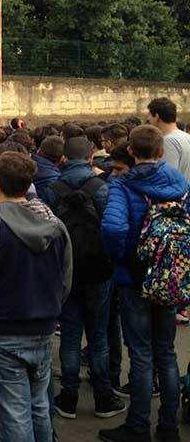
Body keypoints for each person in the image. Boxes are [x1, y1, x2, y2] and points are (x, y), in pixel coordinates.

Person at [0, 152, 72, 442]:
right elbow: (65, 279)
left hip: (0, 330)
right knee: (38, 408)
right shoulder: (56, 227)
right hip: (42, 327)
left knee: (15, 414)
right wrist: (51, 309)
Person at [98, 125, 188, 442]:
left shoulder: (124, 185)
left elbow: (112, 229)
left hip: (135, 278)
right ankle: (168, 427)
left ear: (132, 152)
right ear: (162, 152)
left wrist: (123, 258)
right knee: (167, 352)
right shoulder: (179, 182)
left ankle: (138, 426)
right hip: (168, 276)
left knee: (141, 354)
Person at [47, 137, 125, 421]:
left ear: (64, 159)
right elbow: (114, 228)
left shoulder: (52, 189)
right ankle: (104, 396)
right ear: (91, 158)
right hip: (98, 271)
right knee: (99, 335)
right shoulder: (103, 188)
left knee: (69, 335)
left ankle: (68, 397)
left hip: (65, 271)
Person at [147, 97, 190, 182]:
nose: (148, 119)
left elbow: (167, 178)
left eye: (150, 115)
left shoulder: (167, 141)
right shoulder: (187, 136)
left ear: (157, 116)